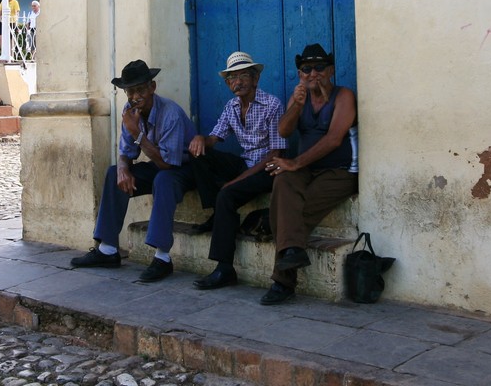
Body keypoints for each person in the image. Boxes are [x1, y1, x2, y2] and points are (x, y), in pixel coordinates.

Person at [70, 59, 196, 282]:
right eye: (130, 91)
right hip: (159, 164)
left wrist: (136, 132)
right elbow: (126, 153)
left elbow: (168, 164)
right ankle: (107, 250)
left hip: (185, 169)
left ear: (152, 87)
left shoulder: (171, 114)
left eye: (140, 90)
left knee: (164, 180)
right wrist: (122, 169)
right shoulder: (130, 111)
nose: (135, 97)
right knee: (113, 173)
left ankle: (162, 258)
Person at [258, 43, 358, 305]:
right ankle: (292, 252)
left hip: (339, 172)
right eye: (306, 69)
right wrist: (296, 106)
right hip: (306, 169)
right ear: (300, 74)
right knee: (282, 179)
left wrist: (295, 162)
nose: (313, 73)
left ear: (331, 70)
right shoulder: (299, 97)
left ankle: (283, 282)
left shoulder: (343, 96)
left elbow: (334, 139)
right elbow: (283, 131)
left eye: (319, 67)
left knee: (289, 214)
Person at [188, 51, 286, 290]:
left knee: (228, 194)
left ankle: (224, 268)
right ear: (227, 83)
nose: (238, 82)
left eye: (243, 76)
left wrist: (236, 181)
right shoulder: (231, 106)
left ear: (255, 79)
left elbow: (276, 154)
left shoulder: (272, 104)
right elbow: (215, 137)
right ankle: (217, 212)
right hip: (245, 163)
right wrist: (201, 139)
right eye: (232, 77)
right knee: (197, 153)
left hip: (267, 169)